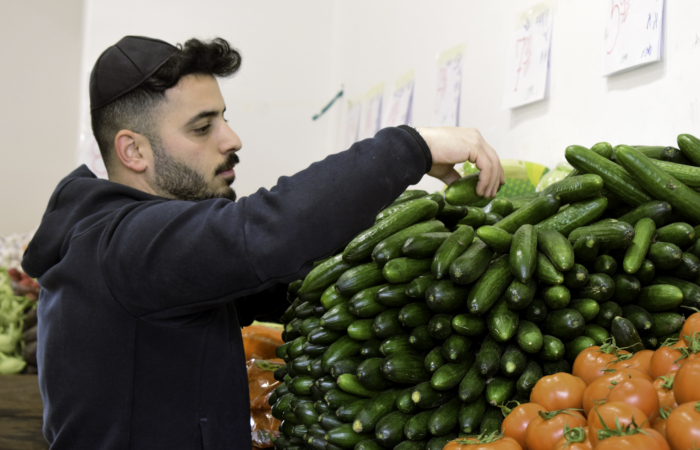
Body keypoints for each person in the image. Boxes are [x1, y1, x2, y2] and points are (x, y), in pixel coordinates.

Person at [22, 35, 504, 450]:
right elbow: (263, 231)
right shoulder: (124, 245)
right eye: (202, 127)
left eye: (223, 118)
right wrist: (413, 146)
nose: (231, 139)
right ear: (133, 151)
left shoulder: (119, 245)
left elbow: (272, 273)